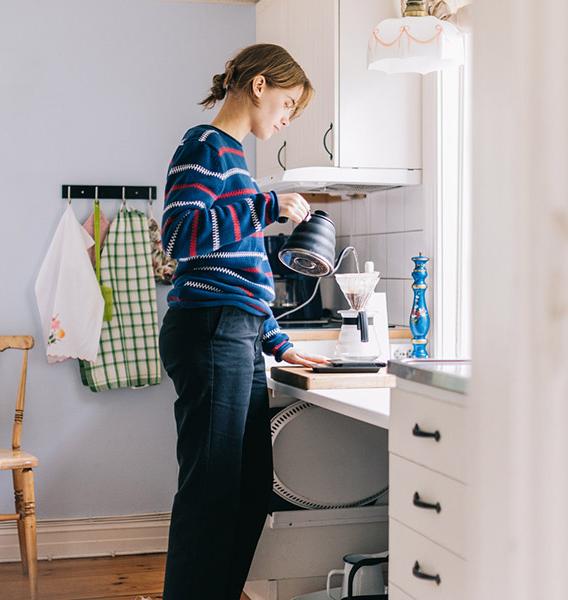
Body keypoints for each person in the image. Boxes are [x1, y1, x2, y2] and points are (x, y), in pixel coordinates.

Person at [158, 43, 330, 600]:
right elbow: (177, 237)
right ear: (258, 85)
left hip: (234, 332)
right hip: (210, 330)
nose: (285, 118)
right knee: (210, 494)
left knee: (251, 489)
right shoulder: (205, 145)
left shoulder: (235, 160)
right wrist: (266, 206)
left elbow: (245, 272)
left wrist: (278, 342)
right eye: (286, 103)